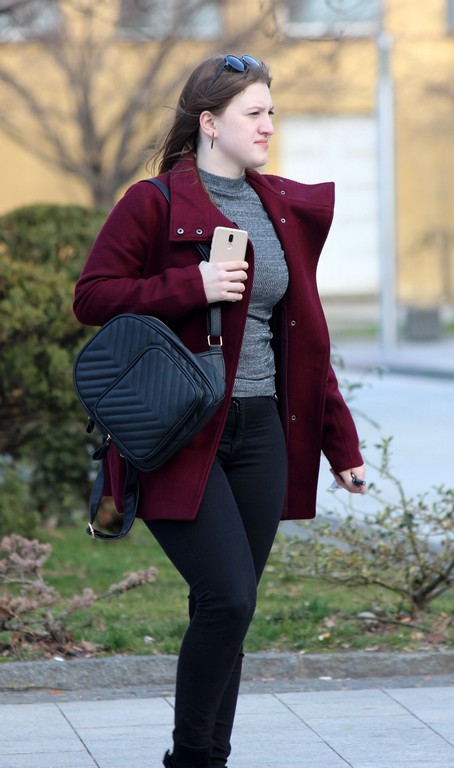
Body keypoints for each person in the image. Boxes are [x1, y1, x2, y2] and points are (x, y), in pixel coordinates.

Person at [73, 53, 366, 768]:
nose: (269, 126)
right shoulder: (153, 203)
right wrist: (191, 285)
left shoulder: (279, 209)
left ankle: (209, 758)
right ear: (209, 123)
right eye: (253, 114)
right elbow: (93, 296)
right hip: (181, 432)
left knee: (231, 611)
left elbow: (305, 341)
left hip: (263, 431)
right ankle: (189, 760)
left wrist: (341, 446)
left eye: (271, 112)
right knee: (227, 598)